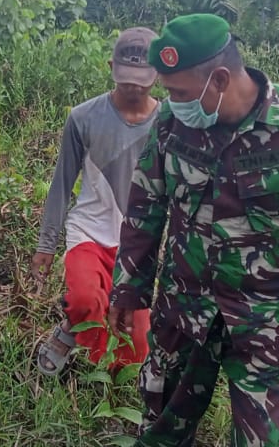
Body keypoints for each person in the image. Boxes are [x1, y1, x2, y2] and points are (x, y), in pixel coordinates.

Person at [107, 14, 279, 447]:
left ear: (218, 80)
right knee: (161, 432)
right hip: (182, 309)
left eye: (178, 92)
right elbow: (145, 205)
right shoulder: (174, 122)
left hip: (264, 321)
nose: (169, 102)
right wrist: (128, 289)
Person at [33, 28, 160, 376]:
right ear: (110, 67)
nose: (134, 87)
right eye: (126, 79)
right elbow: (61, 183)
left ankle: (104, 369)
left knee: (137, 346)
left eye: (143, 80)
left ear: (158, 75)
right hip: (88, 231)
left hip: (136, 243)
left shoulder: (168, 124)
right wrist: (46, 244)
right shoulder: (83, 117)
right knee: (86, 300)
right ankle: (90, 352)